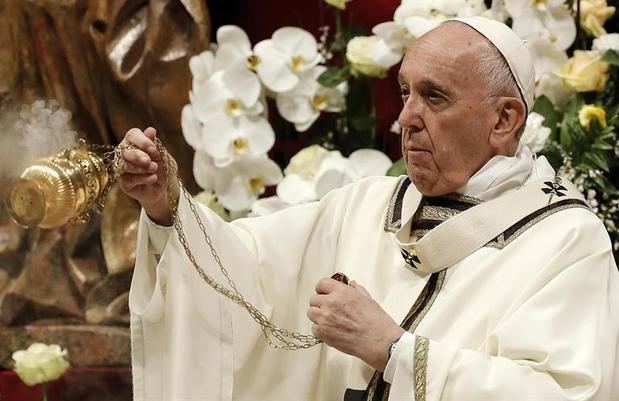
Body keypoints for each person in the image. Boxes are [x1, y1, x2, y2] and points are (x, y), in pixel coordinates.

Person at [118, 16, 619, 401]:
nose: (405, 119)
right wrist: (168, 206)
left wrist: (394, 350)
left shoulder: (565, 241)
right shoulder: (365, 206)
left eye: (434, 97)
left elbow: (563, 393)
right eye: (405, 92)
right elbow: (239, 268)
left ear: (504, 119)